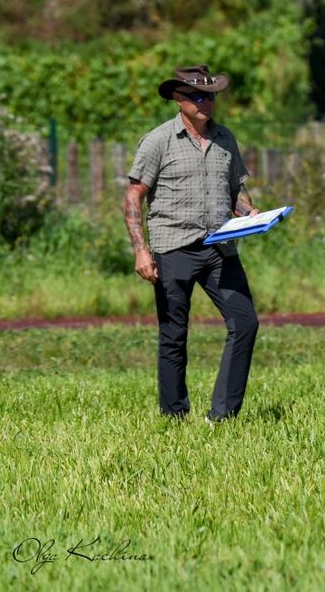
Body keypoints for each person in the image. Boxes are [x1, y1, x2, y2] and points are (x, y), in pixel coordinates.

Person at [124, 65, 261, 422]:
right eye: (197, 96)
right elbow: (134, 195)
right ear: (178, 99)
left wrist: (250, 212)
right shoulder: (158, 141)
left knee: (245, 323)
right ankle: (174, 417)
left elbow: (235, 190)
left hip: (221, 247)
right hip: (173, 247)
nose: (206, 102)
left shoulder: (225, 138)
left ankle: (223, 416)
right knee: (173, 335)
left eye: (210, 95)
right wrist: (141, 249)